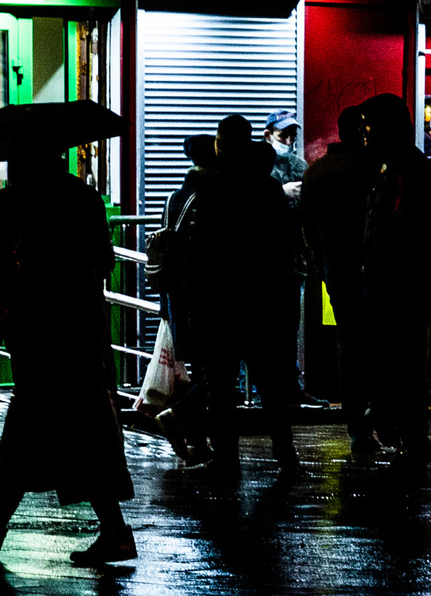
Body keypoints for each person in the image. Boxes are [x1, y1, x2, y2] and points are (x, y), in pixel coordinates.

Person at [0, 149, 137, 565]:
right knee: (78, 429)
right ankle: (109, 531)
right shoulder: (85, 197)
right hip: (83, 332)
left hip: (40, 337)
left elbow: (11, 282)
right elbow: (105, 261)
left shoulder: (15, 202)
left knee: (29, 428)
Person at [178, 114, 309, 473]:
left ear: (221, 144)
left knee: (221, 387)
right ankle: (285, 455)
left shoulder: (212, 188)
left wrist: (192, 299)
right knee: (270, 382)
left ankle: (227, 458)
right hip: (259, 299)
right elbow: (280, 245)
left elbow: (200, 251)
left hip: (219, 301)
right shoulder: (267, 188)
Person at [358, 93, 431, 464]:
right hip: (399, 280)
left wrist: (375, 268)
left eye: (369, 128)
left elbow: (400, 230)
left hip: (404, 282)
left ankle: (408, 432)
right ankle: (399, 426)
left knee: (398, 355)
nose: (365, 135)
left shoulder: (407, 170)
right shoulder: (397, 166)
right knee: (395, 354)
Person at [300, 103, 379, 451]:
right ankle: (379, 417)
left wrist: (320, 261)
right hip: (372, 269)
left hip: (334, 271)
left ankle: (356, 425)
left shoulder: (315, 173)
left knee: (347, 343)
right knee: (380, 342)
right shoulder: (372, 167)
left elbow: (306, 226)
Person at [140, 134, 215, 456]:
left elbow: (165, 251)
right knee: (212, 370)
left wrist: (164, 305)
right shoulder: (207, 197)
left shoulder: (173, 197)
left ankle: (196, 439)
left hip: (174, 296)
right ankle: (180, 419)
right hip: (201, 296)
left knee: (196, 370)